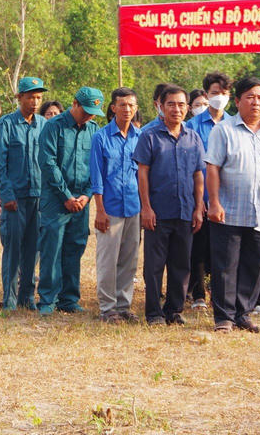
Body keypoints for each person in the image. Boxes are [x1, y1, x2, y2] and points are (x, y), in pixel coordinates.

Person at [204, 77, 260, 333]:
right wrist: (215, 202)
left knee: (254, 266)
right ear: (238, 101)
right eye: (250, 97)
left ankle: (243, 314)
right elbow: (212, 168)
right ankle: (223, 317)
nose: (256, 102)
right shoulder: (224, 130)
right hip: (228, 211)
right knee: (225, 266)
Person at [133, 85, 203, 325]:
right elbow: (142, 173)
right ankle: (153, 313)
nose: (177, 109)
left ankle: (174, 310)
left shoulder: (193, 137)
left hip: (185, 210)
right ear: (160, 107)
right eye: (171, 104)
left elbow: (198, 174)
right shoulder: (149, 136)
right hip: (158, 211)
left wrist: (198, 207)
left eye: (182, 104)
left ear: (188, 108)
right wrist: (146, 207)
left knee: (181, 264)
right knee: (154, 265)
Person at [37, 88, 103, 314]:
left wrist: (86, 195)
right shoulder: (53, 127)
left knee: (75, 248)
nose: (89, 117)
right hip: (56, 200)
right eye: (86, 111)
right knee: (51, 249)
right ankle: (47, 299)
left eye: (93, 113)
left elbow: (96, 166)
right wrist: (66, 196)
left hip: (81, 202)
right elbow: (48, 163)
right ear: (74, 104)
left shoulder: (94, 130)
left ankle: (69, 299)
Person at [0, 77, 47, 310]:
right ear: (19, 98)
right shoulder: (6, 125)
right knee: (13, 249)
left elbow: (48, 161)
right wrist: (6, 195)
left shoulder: (44, 124)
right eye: (30, 97)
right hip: (15, 198)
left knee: (33, 250)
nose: (34, 102)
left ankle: (28, 296)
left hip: (38, 197)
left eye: (38, 98)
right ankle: (10, 299)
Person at [90, 87, 142, 323]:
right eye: (123, 105)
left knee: (129, 260)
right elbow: (97, 176)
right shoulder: (100, 137)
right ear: (113, 108)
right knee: (107, 261)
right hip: (109, 208)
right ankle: (107, 308)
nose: (127, 109)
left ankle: (123, 305)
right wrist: (100, 210)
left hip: (134, 207)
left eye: (131, 105)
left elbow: (143, 175)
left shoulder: (140, 137)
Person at [187, 72, 232, 310]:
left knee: (223, 250)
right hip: (200, 198)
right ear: (206, 95)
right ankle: (198, 295)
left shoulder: (234, 124)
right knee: (199, 248)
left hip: (228, 199)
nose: (219, 98)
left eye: (224, 94)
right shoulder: (192, 126)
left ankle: (219, 293)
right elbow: (192, 165)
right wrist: (198, 200)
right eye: (215, 93)